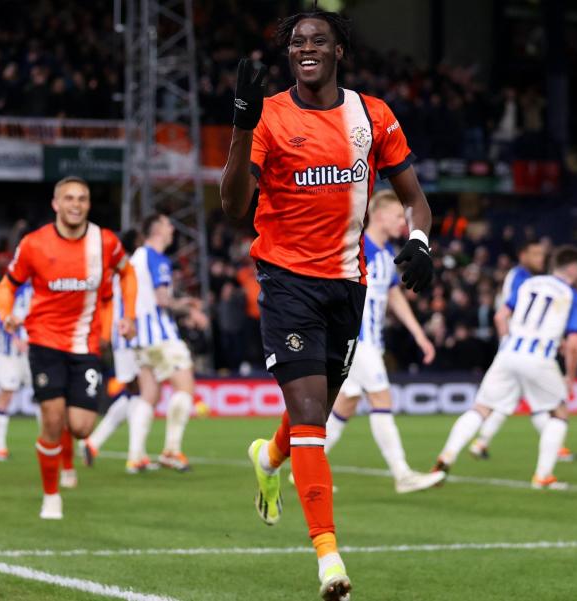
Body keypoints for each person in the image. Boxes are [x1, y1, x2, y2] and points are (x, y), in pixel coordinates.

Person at [219, 10, 434, 600]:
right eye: (296, 42)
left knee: (310, 409)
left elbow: (415, 199)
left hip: (348, 284)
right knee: (313, 416)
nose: (305, 48)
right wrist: (240, 125)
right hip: (287, 281)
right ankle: (328, 558)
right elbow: (236, 206)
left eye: (317, 40)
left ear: (339, 49)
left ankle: (268, 456)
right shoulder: (268, 116)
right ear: (289, 54)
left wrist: (419, 242)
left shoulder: (374, 116)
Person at [0, 176, 137, 520]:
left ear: (88, 204)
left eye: (83, 198)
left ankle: (67, 457)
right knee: (53, 420)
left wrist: (128, 316)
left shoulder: (104, 242)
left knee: (82, 427)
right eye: (69, 198)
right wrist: (6, 314)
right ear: (56, 204)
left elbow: (127, 273)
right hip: (43, 341)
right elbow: (6, 286)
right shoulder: (34, 244)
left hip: (86, 344)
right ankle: (51, 495)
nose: (76, 204)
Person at [432, 246, 577, 489]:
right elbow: (575, 345)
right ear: (572, 268)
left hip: (509, 352)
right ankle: (543, 476)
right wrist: (571, 376)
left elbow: (500, 316)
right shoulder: (572, 296)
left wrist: (509, 341)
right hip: (538, 358)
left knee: (481, 408)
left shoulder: (529, 285)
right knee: (558, 412)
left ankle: (446, 456)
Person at [319, 190, 443, 493]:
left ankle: (305, 466)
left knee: (345, 405)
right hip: (356, 339)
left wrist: (418, 334)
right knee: (381, 398)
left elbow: (393, 295)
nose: (404, 222)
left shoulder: (387, 255)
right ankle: (402, 474)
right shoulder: (356, 247)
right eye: (399, 216)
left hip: (370, 341)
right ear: (379, 214)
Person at [468, 241, 577, 463]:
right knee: (543, 402)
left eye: (542, 254)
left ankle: (481, 442)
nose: (540, 258)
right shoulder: (523, 278)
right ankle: (554, 452)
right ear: (523, 255)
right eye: (535, 254)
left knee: (513, 401)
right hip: (522, 347)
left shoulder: (525, 277)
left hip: (522, 345)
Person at [125, 213, 207, 473]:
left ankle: (135, 456)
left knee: (148, 395)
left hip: (139, 337)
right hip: (160, 335)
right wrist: (188, 307)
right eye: (168, 224)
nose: (172, 228)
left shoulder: (135, 258)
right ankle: (171, 450)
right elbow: (162, 299)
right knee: (185, 386)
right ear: (158, 229)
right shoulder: (156, 258)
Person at [83, 230, 145, 467]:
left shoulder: (113, 270)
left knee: (134, 393)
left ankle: (93, 443)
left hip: (122, 335)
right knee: (141, 392)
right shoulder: (129, 267)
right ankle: (135, 456)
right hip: (129, 334)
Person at [0, 281, 33, 462]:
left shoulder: (42, 284)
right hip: (9, 350)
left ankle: (49, 441)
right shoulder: (10, 285)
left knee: (45, 394)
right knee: (6, 393)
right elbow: (0, 316)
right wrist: (15, 338)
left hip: (35, 347)